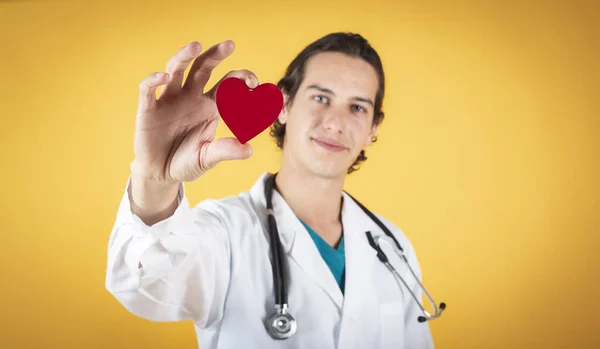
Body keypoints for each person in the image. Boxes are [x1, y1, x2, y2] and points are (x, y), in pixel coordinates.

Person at [105, 32, 442, 349]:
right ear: (283, 106)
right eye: (321, 97)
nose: (335, 122)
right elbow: (147, 286)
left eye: (357, 107)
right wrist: (155, 180)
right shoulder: (223, 231)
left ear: (373, 128)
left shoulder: (392, 246)